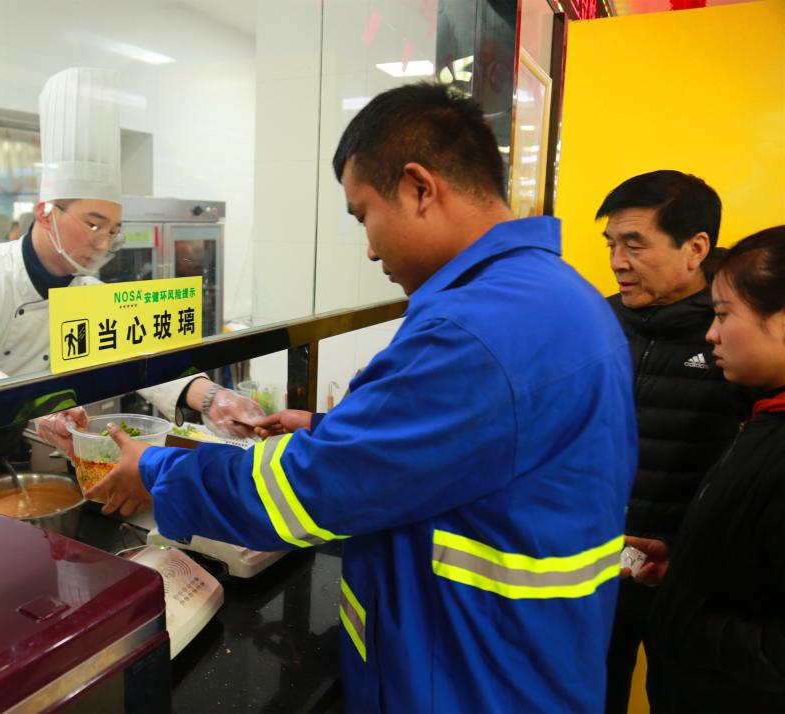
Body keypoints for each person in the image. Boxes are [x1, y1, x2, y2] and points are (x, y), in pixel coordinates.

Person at [91, 83, 636, 712]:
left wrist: (156, 469)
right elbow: (472, 443)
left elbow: (307, 490)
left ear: (419, 187)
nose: (371, 248)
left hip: (469, 683)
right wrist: (331, 426)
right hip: (526, 660)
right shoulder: (559, 296)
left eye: (363, 215)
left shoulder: (476, 331)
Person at [0, 68, 259, 529]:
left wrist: (211, 397)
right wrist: (40, 402)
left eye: (113, 231)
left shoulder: (89, 294)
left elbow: (144, 358)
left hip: (1, 452)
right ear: (45, 212)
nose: (103, 242)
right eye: (93, 224)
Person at [596, 171, 752, 713]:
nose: (618, 261)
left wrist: (687, 557)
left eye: (635, 244)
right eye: (611, 244)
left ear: (696, 248)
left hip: (691, 580)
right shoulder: (597, 322)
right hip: (596, 567)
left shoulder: (735, 334)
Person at [644, 226, 785, 712]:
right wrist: (683, 567)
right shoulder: (765, 418)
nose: (711, 334)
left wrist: (687, 621)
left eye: (724, 314)